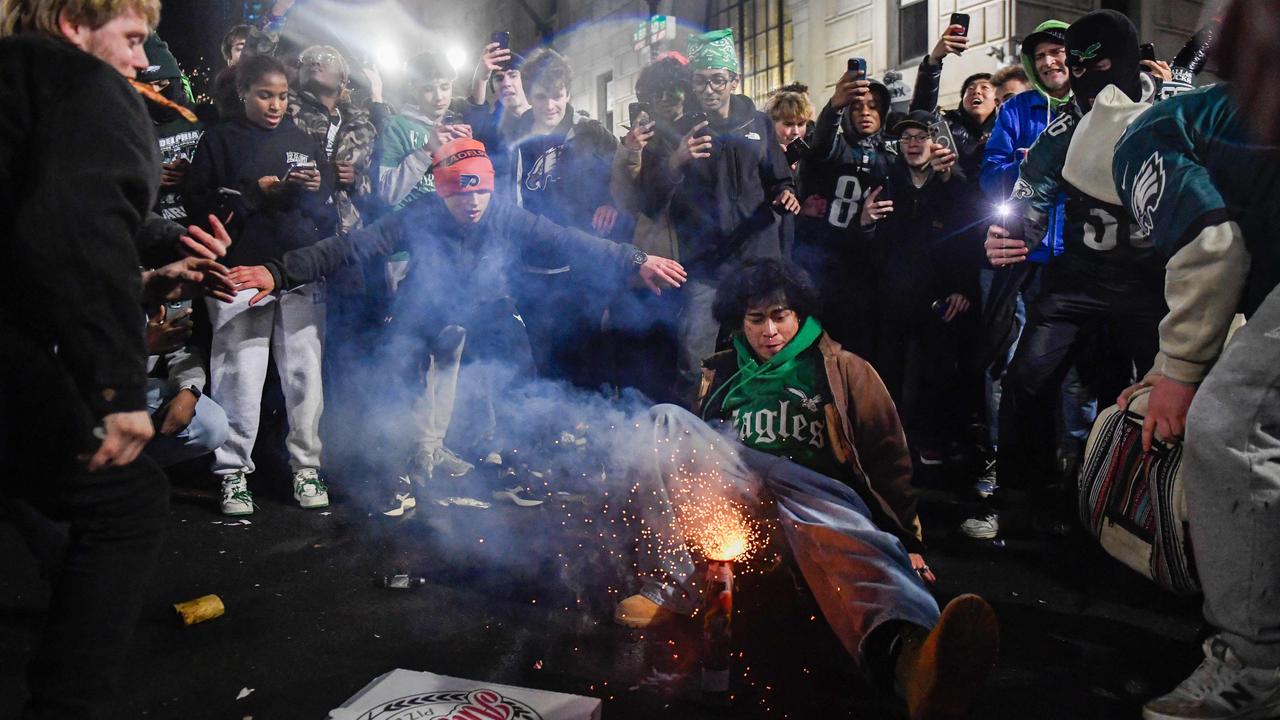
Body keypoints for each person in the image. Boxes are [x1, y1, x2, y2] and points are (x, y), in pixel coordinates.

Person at [613, 259, 998, 720]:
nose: (769, 331)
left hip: (813, 496)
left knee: (846, 539)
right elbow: (692, 461)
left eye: (780, 317)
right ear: (741, 321)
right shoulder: (722, 372)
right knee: (663, 420)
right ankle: (671, 591)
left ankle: (912, 659)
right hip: (742, 498)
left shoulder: (844, 368)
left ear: (800, 316)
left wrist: (909, 540)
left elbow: (887, 458)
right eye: (756, 320)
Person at [227, 137, 686, 513]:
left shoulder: (505, 214)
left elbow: (570, 242)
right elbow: (349, 247)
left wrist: (637, 257)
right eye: (460, 192)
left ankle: (510, 460)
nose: (472, 202)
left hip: (481, 307)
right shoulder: (418, 216)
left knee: (516, 354)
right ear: (442, 192)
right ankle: (393, 467)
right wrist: (279, 271)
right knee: (399, 367)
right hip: (423, 309)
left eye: (480, 190)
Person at [0, 1, 222, 716]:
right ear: (72, 25)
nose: (139, 60)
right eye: (130, 38)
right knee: (127, 502)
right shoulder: (81, 83)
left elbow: (31, 244)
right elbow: (81, 223)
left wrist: (142, 282)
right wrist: (120, 386)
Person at [1111, 3, 1280, 717]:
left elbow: (1212, 251)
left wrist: (1177, 375)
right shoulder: (1222, 121)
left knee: (1229, 425)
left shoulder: (1142, 140)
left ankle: (1258, 665)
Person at [976, 10, 1167, 539]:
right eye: (1073, 67)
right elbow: (1029, 197)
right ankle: (1022, 502)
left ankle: (1162, 509)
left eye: (1098, 65)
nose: (1085, 80)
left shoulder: (1173, 112)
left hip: (1152, 285)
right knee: (1026, 379)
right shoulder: (1062, 131)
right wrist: (1011, 237)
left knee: (1165, 393)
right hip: (1078, 280)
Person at [185, 54, 333, 516]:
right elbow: (198, 206)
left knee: (305, 376)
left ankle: (306, 467)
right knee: (238, 377)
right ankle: (232, 475)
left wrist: (314, 189)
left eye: (283, 96)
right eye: (265, 95)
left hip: (296, 272)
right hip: (239, 273)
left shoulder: (303, 139)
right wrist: (254, 194)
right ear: (244, 93)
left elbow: (328, 209)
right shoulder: (220, 139)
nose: (275, 105)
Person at [641, 28, 798, 403]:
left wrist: (786, 193)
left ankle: (768, 426)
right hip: (706, 266)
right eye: (701, 81)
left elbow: (779, 175)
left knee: (769, 348)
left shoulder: (759, 124)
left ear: (733, 81)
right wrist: (677, 159)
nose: (709, 89)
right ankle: (692, 433)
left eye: (717, 80)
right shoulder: (681, 130)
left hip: (759, 260)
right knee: (695, 357)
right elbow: (649, 198)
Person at [858, 110, 976, 462]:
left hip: (938, 296)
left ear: (935, 141)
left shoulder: (953, 184)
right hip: (892, 295)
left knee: (936, 372)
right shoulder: (885, 180)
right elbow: (867, 242)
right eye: (906, 137)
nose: (912, 144)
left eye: (920, 136)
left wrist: (963, 287)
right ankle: (889, 441)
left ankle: (931, 440)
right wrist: (864, 221)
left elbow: (967, 240)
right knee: (888, 370)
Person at [508, 47, 622, 386]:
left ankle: (590, 432)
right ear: (529, 95)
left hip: (580, 267)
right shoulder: (514, 138)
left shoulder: (592, 134)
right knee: (545, 364)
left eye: (557, 97)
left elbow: (622, 179)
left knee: (585, 359)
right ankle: (554, 431)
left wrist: (610, 202)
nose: (549, 106)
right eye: (541, 97)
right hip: (532, 269)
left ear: (568, 92)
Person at [794, 63, 895, 360]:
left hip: (870, 267)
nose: (865, 112)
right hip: (826, 264)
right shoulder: (835, 148)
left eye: (873, 107)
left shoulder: (889, 153)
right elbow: (821, 144)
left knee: (864, 348)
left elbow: (921, 116)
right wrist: (835, 106)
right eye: (857, 107)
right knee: (825, 345)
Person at [608, 53, 690, 402]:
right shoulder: (644, 138)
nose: (667, 100)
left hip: (705, 259)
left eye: (674, 91)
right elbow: (627, 202)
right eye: (657, 94)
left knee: (690, 360)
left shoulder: (707, 128)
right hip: (659, 262)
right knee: (651, 354)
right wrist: (630, 153)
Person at [910, 24, 997, 180]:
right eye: (970, 89)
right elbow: (921, 114)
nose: (976, 91)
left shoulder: (1007, 128)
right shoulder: (946, 124)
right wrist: (933, 61)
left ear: (997, 99)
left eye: (985, 88)